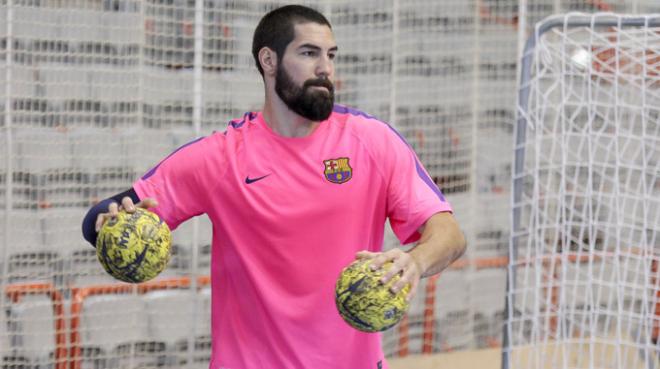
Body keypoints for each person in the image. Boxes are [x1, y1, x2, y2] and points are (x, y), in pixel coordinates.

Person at [82, 4, 466, 369]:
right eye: (309, 53)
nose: (325, 68)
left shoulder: (373, 143)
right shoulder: (221, 157)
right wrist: (110, 221)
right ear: (269, 61)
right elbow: (104, 216)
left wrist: (414, 262)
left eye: (331, 55)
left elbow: (448, 233)